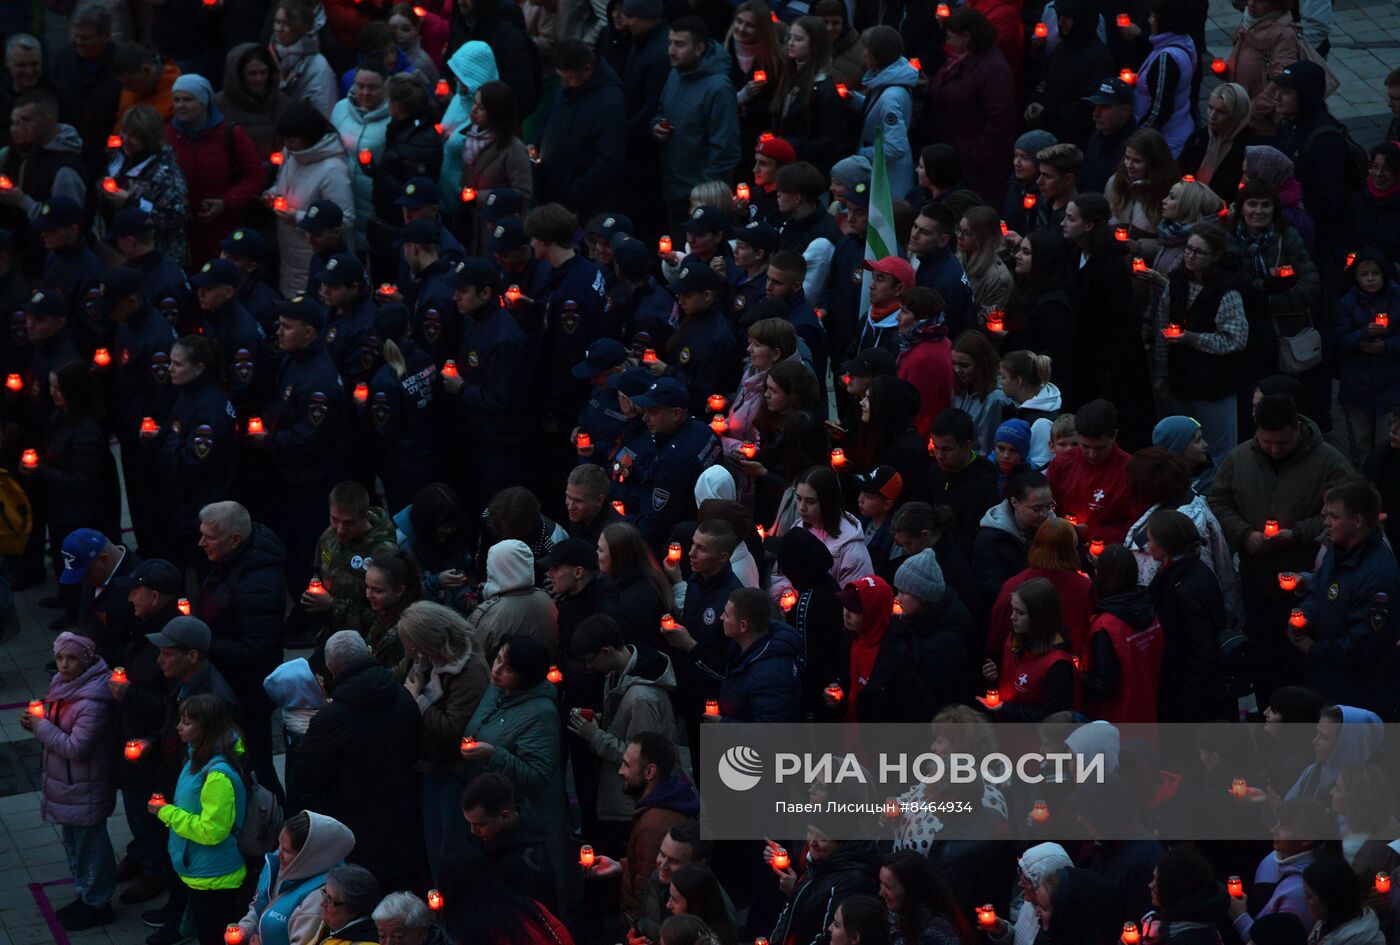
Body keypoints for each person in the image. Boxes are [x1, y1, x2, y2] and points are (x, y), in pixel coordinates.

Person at [1208, 394, 1351, 709]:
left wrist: (1297, 533)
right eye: (1267, 442)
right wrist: (1244, 535)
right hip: (1257, 584)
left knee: (1302, 670)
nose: (1274, 449)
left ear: (1297, 427)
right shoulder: (1239, 458)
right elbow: (1219, 501)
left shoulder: (1329, 461)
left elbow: (1345, 513)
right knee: (1264, 663)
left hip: (1306, 588)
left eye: (1282, 443)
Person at [305, 630, 426, 894]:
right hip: (402, 812)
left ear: (330, 667)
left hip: (352, 821)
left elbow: (312, 776)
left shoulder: (330, 718)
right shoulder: (401, 696)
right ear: (368, 653)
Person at [459, 636, 570, 903]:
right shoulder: (497, 689)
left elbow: (538, 776)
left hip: (527, 823)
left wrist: (493, 754)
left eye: (507, 668)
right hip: (496, 812)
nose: (496, 670)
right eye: (497, 659)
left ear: (526, 677)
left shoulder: (541, 713)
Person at [193, 500, 287, 806]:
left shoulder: (256, 582)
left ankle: (274, 828)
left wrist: (205, 642)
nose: (201, 543)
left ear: (235, 539)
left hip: (246, 694)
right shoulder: (235, 561)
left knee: (256, 767)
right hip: (231, 685)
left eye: (209, 537)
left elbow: (258, 649)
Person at [27, 632, 117, 931]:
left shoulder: (92, 701)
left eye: (72, 658)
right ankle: (86, 896)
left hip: (85, 787)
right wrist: (38, 724)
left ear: (86, 660)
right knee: (76, 847)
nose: (64, 665)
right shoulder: (65, 686)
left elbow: (76, 748)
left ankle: (98, 903)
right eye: (60, 658)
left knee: (91, 848)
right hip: (70, 786)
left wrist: (41, 728)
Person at [1286, 481, 1400, 717]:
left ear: (1357, 521)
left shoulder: (1377, 576)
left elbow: (1362, 645)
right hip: (1325, 680)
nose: (1326, 523)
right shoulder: (1338, 552)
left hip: (1358, 693)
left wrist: (1311, 647)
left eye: (1334, 517)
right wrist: (1303, 617)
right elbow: (1317, 591)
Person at [395, 600, 488, 877]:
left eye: (413, 644)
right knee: (434, 838)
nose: (410, 651)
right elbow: (397, 675)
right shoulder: (424, 657)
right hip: (431, 763)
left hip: (453, 769)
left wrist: (417, 701)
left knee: (451, 842)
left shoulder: (469, 670)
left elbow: (453, 728)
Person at [1151, 222, 1249, 471]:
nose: (1190, 256)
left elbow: (1235, 339)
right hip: (1181, 379)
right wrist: (1161, 370)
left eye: (1198, 252)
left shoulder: (1227, 290)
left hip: (1215, 384)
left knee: (1219, 451)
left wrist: (1191, 338)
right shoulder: (1177, 281)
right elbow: (1162, 323)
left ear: (1215, 256)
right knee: (1180, 449)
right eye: (1188, 249)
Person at [155, 693, 250, 945]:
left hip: (215, 876)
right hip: (203, 868)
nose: (178, 727)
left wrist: (166, 813)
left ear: (205, 728)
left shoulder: (217, 775)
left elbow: (212, 830)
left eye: (186, 723)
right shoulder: (197, 755)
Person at [653, 19, 740, 231]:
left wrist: (702, 195)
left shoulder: (718, 88)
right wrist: (656, 126)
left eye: (680, 44)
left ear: (699, 48)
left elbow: (725, 150)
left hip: (700, 198)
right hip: (672, 189)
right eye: (670, 43)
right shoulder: (675, 74)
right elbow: (660, 111)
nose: (671, 51)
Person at [1143, 509, 1229, 722]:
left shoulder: (1183, 585)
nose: (1147, 546)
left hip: (1187, 689)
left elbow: (1200, 644)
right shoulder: (1190, 570)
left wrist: (1187, 691)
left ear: (1166, 546)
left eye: (1151, 541)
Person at [928, 9, 1016, 204]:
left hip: (974, 164)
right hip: (956, 152)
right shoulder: (960, 59)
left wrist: (977, 154)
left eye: (952, 36)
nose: (948, 41)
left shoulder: (993, 69)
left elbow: (1000, 117)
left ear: (967, 37)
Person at [267, 104, 353, 296]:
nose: (287, 144)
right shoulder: (292, 155)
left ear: (309, 136)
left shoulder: (333, 170)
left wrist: (298, 218)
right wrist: (273, 193)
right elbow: (284, 183)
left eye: (292, 139)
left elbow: (345, 219)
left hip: (315, 260)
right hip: (290, 257)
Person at [234, 811, 358, 945]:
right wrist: (245, 928)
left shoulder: (322, 896)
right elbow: (261, 905)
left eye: (286, 850)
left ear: (307, 857)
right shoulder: (279, 864)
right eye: (279, 844)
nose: (278, 854)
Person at [987, 519, 1094, 661]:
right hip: (1071, 666)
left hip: (1023, 668)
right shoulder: (1085, 588)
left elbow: (997, 635)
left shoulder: (1014, 584)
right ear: (1072, 549)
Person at [768, 466, 875, 604]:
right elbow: (779, 573)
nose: (801, 507)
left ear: (828, 501)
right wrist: (785, 594)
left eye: (810, 501)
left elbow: (853, 602)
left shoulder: (852, 550)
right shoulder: (798, 529)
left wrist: (810, 604)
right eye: (799, 498)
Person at [768, 817, 881, 945]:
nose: (812, 841)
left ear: (840, 844)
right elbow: (788, 915)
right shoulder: (818, 863)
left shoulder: (852, 880)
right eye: (810, 832)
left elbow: (830, 937)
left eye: (822, 838)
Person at [1047, 399, 1143, 547]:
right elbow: (1048, 506)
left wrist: (1092, 532)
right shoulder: (1061, 463)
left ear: (1114, 436)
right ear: (1078, 436)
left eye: (1100, 448)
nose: (1091, 455)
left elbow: (1136, 525)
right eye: (1085, 446)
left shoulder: (1132, 472)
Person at [982, 576, 1076, 722]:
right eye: (1012, 610)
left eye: (1020, 613)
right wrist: (995, 678)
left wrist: (1006, 709)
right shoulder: (1013, 640)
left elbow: (1053, 717)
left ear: (1039, 617)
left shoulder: (1058, 664)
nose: (1012, 617)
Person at [1337, 250, 1400, 460]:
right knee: (1360, 442)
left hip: (1391, 381)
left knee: (1388, 441)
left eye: (1375, 273)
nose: (1371, 279)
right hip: (1357, 382)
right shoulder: (1347, 303)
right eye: (1364, 274)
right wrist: (1363, 333)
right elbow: (1339, 340)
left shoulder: (1397, 299)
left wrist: (1387, 346)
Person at [972, 470, 1054, 606]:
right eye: (1036, 509)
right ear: (1015, 502)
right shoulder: (990, 540)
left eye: (1049, 506)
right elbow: (992, 588)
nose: (1045, 514)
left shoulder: (1055, 529)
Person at [331, 63, 390, 249]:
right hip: (342, 195)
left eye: (372, 87)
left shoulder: (393, 117)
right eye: (360, 86)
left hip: (373, 202)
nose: (365, 92)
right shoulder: (340, 109)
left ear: (385, 87)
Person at [1180, 82, 1254, 200]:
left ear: (1237, 114)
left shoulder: (1248, 149)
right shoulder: (1199, 138)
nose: (1212, 115)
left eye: (1221, 112)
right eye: (1210, 107)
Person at [215, 44, 292, 159]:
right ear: (239, 74)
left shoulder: (281, 101)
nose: (259, 79)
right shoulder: (219, 104)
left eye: (263, 72)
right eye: (253, 73)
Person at [270, 0, 338, 118]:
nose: (279, 29)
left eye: (287, 24)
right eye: (277, 22)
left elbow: (324, 112)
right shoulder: (267, 55)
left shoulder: (319, 66)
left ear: (303, 28)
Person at [1299, 856, 1386, 945]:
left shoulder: (1368, 941)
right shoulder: (1325, 923)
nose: (1305, 901)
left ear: (1331, 900)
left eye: (1309, 897)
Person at [952, 331, 1014, 455]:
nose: (958, 370)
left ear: (981, 364)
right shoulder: (961, 387)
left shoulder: (995, 399)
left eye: (964, 365)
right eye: (954, 363)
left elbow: (987, 448)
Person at [315, 864, 382, 945]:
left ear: (354, 909)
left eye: (330, 900)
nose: (322, 903)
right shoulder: (331, 928)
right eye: (324, 892)